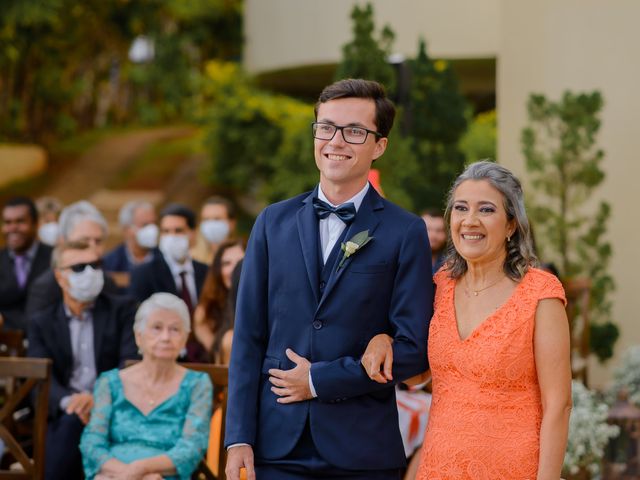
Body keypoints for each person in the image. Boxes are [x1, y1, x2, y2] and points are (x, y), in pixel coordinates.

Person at [225, 79, 433, 480]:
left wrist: (319, 381)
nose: (336, 141)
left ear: (379, 146)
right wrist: (238, 438)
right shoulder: (272, 222)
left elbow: (414, 348)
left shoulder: (405, 231)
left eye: (355, 131)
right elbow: (248, 338)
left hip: (362, 450)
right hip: (275, 446)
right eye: (326, 127)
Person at [362, 161, 572, 479]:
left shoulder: (540, 293)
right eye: (461, 208)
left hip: (513, 468)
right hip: (439, 465)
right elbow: (418, 376)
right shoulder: (439, 285)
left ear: (512, 224)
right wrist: (383, 338)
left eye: (486, 210)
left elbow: (559, 405)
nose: (469, 221)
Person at [27, 240, 138, 480]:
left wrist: (97, 397)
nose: (89, 273)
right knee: (69, 425)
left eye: (95, 265)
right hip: (66, 413)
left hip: (115, 408)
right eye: (79, 268)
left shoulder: (123, 309)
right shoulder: (41, 322)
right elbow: (39, 381)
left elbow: (130, 364)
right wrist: (71, 402)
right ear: (59, 277)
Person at [80, 293, 213, 480]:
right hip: (112, 475)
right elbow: (92, 443)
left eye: (175, 329)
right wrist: (128, 475)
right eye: (157, 328)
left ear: (185, 339)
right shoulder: (109, 382)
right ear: (138, 336)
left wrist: (142, 469)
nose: (165, 337)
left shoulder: (198, 383)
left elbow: (191, 448)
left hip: (164, 475)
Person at [130, 203, 208, 362]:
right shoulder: (144, 273)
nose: (171, 237)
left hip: (204, 355)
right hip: (164, 355)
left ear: (192, 234)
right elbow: (137, 321)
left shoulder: (206, 272)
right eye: (166, 231)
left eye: (178, 231)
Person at [26, 200, 119, 319]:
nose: (92, 248)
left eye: (98, 241)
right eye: (83, 241)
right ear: (63, 241)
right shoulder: (45, 290)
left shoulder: (108, 284)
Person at [0, 196, 53, 331]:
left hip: (46, 341)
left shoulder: (55, 258)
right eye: (7, 222)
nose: (13, 228)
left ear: (36, 223)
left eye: (20, 221)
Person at [193, 239, 245, 364]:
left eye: (240, 262)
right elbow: (218, 356)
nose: (234, 269)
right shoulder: (206, 312)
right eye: (226, 263)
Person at [103, 200, 159, 290]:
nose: (152, 229)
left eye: (154, 223)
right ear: (126, 230)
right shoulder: (110, 264)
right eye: (145, 225)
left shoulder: (165, 259)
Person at [190, 196, 237, 265]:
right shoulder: (192, 258)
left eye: (217, 219)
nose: (211, 224)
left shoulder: (242, 255)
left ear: (232, 223)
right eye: (206, 219)